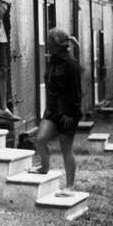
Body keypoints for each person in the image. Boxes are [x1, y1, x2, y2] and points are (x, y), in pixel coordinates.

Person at [33, 27, 82, 196]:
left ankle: (70, 186)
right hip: (52, 110)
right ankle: (44, 167)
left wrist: (69, 113)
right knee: (40, 139)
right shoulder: (53, 60)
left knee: (65, 148)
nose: (47, 44)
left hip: (67, 112)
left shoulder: (71, 63)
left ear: (58, 44)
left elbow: (76, 92)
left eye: (49, 41)